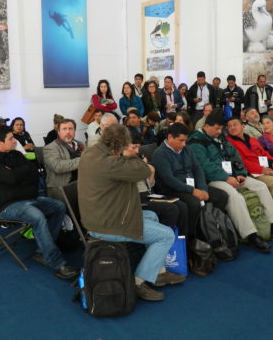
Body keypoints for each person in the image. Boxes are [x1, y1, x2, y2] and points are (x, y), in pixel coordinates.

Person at [79, 124, 185, 301]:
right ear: (119, 147)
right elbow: (143, 170)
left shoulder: (90, 153)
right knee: (166, 236)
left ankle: (158, 271)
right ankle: (138, 282)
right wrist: (130, 155)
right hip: (108, 224)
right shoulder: (111, 163)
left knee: (153, 216)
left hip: (98, 215)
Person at [0, 126, 77, 280]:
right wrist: (18, 175)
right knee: (37, 216)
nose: (14, 141)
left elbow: (34, 172)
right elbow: (12, 178)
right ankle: (57, 262)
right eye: (11, 139)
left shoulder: (15, 154)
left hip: (27, 198)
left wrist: (14, 173)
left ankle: (42, 251)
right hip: (6, 207)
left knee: (58, 207)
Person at [188, 112, 273, 251]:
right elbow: (205, 166)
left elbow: (234, 155)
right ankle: (250, 234)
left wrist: (240, 173)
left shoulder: (220, 137)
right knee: (235, 196)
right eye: (216, 129)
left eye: (221, 129)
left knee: (260, 186)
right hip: (212, 179)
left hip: (232, 175)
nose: (219, 131)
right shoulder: (195, 142)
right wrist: (226, 178)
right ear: (206, 126)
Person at [151, 122, 229, 241]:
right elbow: (169, 179)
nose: (184, 144)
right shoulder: (160, 154)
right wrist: (193, 191)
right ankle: (192, 238)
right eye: (181, 140)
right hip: (173, 189)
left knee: (221, 196)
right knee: (193, 203)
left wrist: (203, 188)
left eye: (185, 140)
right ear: (170, 137)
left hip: (191, 186)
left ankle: (212, 230)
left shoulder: (187, 149)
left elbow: (197, 169)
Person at [226, 117, 273, 228]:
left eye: (235, 124)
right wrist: (261, 169)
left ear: (243, 126)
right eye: (229, 126)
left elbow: (263, 153)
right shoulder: (229, 142)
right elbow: (241, 161)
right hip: (252, 173)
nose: (232, 127)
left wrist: (272, 161)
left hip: (265, 168)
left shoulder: (251, 139)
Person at [128, 131, 188, 238]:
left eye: (138, 147)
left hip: (148, 194)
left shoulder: (137, 158)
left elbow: (150, 185)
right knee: (171, 209)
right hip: (136, 199)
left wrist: (151, 172)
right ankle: (166, 240)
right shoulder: (122, 163)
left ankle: (181, 242)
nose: (137, 150)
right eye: (134, 147)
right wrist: (143, 168)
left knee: (182, 206)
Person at [43, 119, 83, 201]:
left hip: (82, 184)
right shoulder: (50, 148)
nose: (68, 132)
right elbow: (58, 166)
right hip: (62, 188)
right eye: (64, 129)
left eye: (70, 129)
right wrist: (83, 160)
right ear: (58, 132)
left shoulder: (80, 144)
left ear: (74, 131)